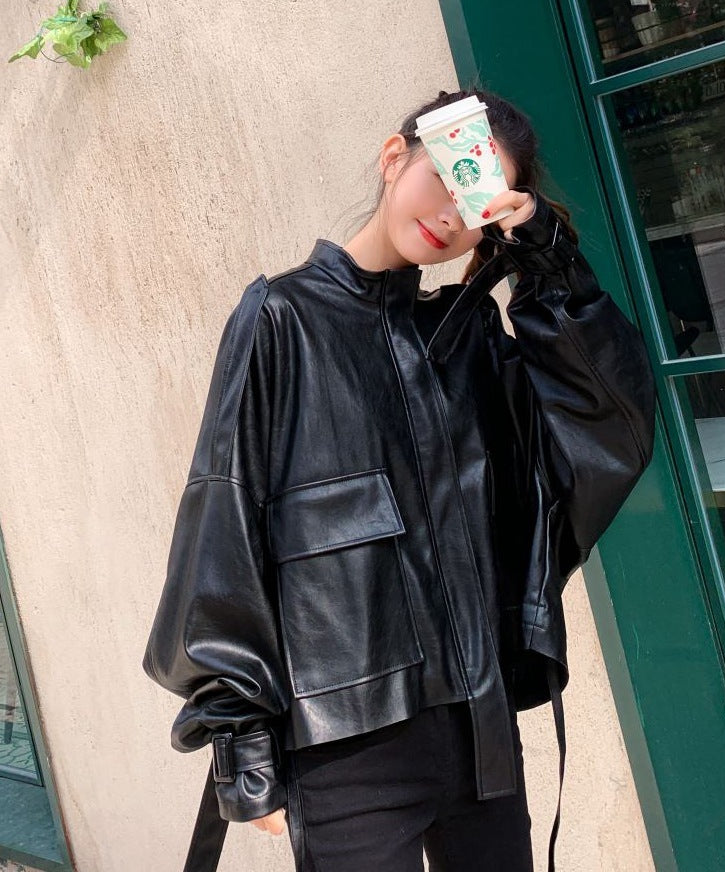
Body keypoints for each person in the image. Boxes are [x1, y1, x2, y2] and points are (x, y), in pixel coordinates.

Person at [142, 86, 656, 872]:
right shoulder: (280, 319)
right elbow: (223, 529)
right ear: (393, 159)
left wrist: (545, 261)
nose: (450, 214)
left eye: (474, 198)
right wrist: (243, 746)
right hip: (346, 753)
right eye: (442, 176)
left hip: (480, 732)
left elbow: (608, 421)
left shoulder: (465, 338)